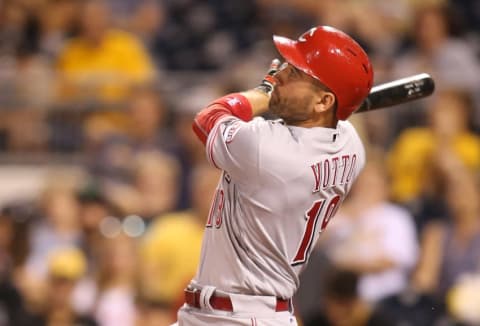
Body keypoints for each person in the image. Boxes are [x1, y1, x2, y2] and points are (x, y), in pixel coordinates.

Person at [174, 25, 374, 325]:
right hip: (232, 312)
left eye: (294, 74)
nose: (278, 75)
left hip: (240, 316)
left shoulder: (265, 149)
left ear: (323, 102)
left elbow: (206, 119)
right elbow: (333, 125)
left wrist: (262, 94)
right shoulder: (351, 145)